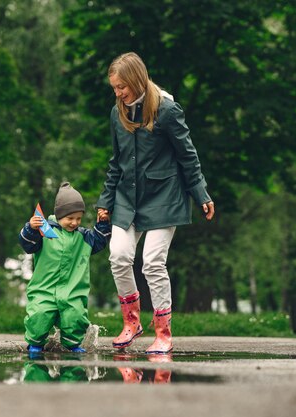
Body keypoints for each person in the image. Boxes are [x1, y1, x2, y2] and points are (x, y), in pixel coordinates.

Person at [96, 52, 215, 354]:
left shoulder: (166, 110)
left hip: (164, 197)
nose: (118, 93)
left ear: (136, 80)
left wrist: (201, 193)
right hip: (127, 197)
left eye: (122, 87)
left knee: (151, 262)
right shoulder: (117, 113)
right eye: (114, 88)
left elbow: (188, 155)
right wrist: (105, 201)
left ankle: (163, 332)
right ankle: (132, 322)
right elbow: (115, 162)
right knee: (119, 256)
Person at [19, 182, 111, 354]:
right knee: (39, 315)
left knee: (75, 316)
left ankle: (72, 345)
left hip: (72, 291)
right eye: (70, 218)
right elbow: (27, 245)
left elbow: (100, 242)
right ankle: (35, 344)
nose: (74, 222)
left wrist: (103, 224)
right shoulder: (44, 232)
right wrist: (30, 228)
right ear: (59, 214)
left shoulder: (83, 237)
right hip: (44, 289)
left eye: (78, 218)